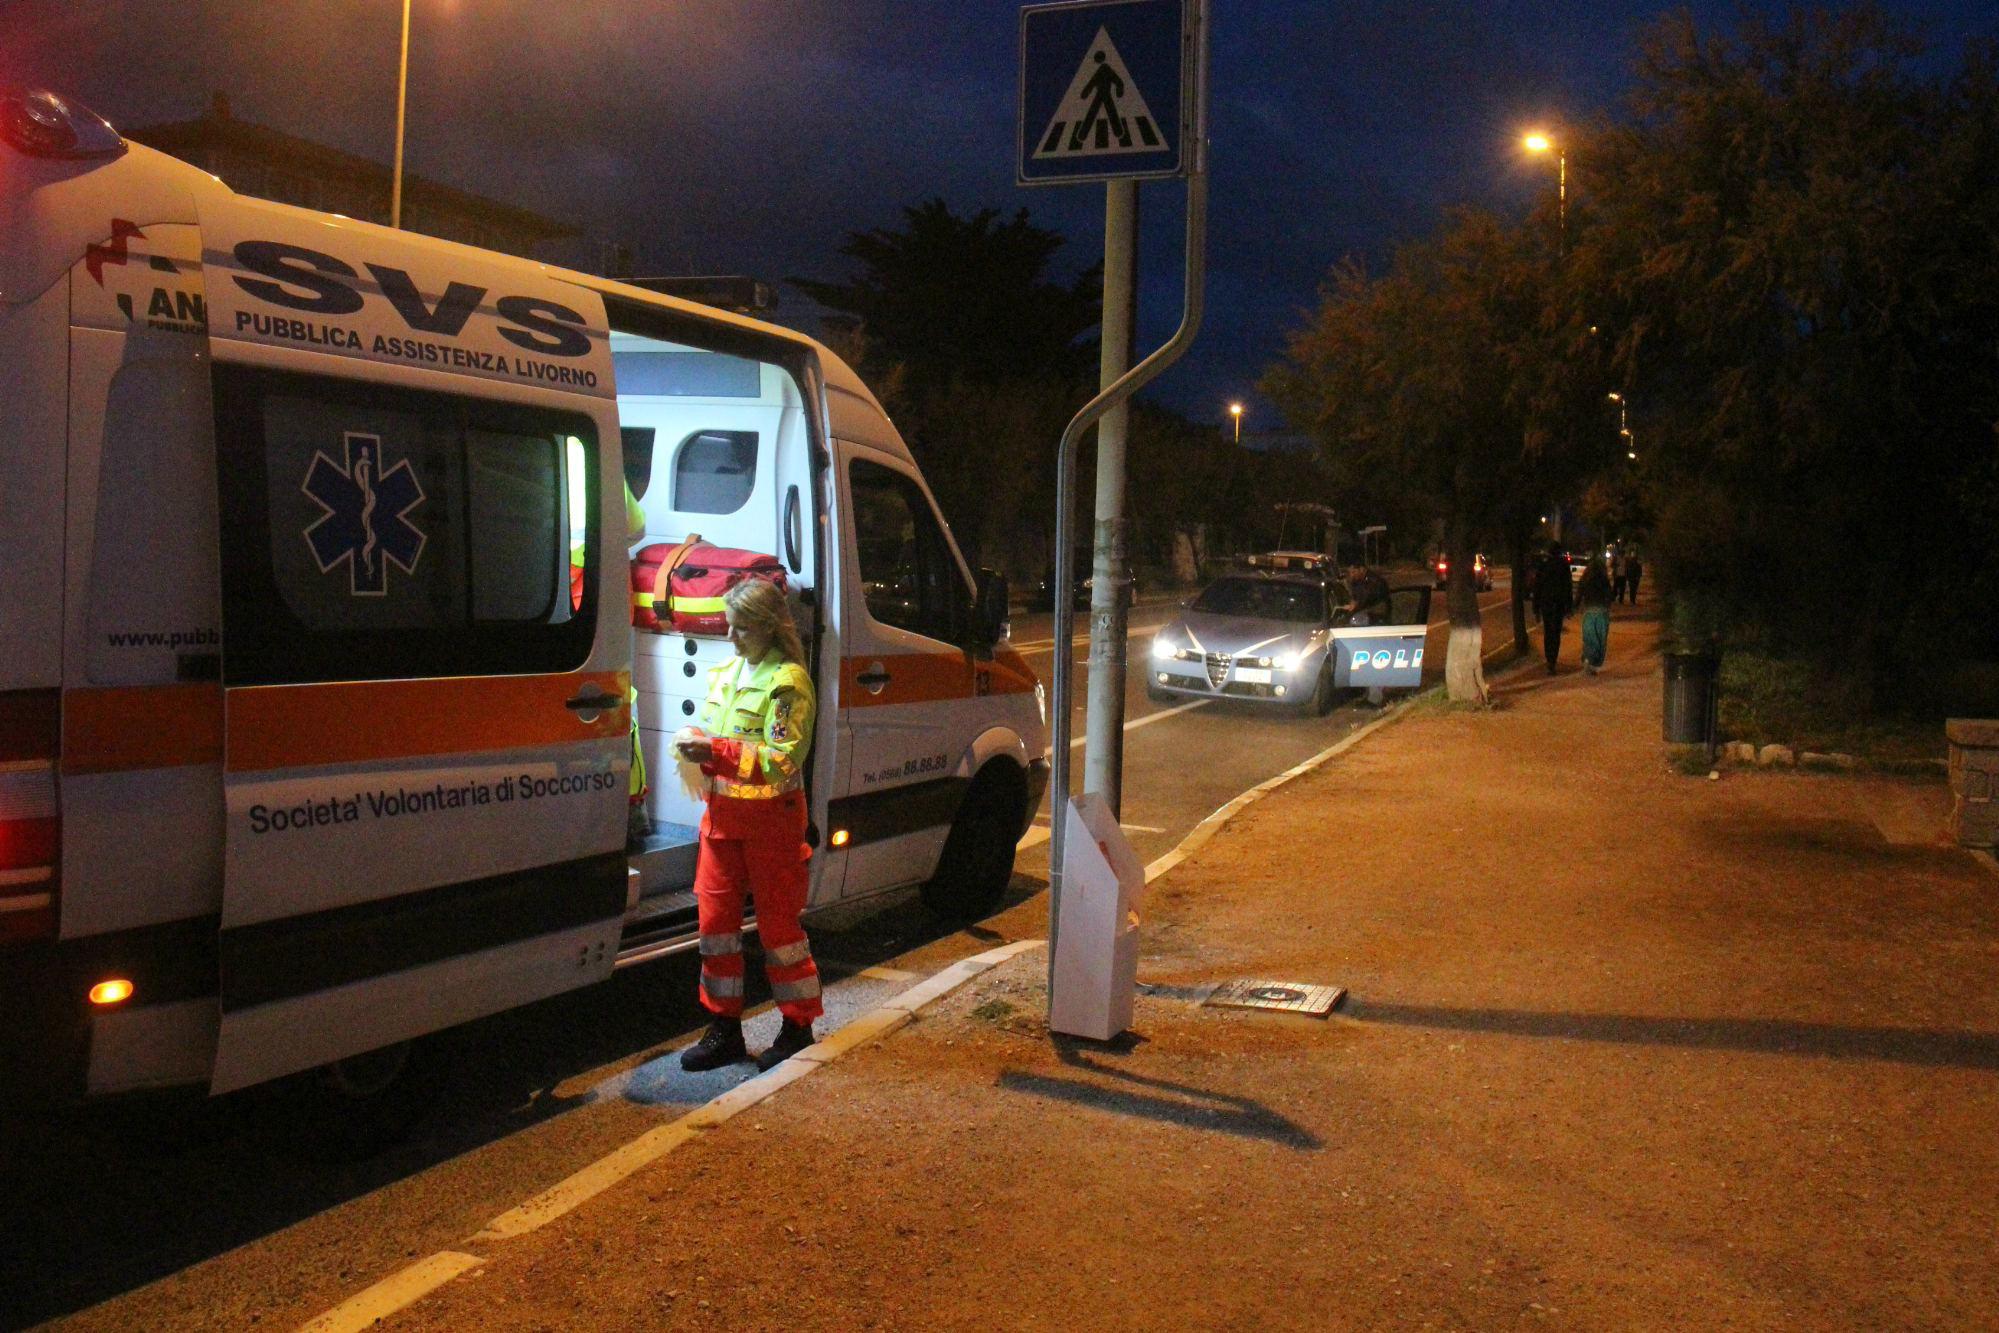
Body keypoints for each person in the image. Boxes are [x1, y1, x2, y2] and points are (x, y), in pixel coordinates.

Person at [675, 579, 822, 1073]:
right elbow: (722, 737)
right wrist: (697, 740)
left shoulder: (788, 682)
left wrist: (714, 751)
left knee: (780, 933)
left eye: (740, 629)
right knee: (715, 932)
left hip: (771, 830)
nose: (730, 637)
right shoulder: (728, 672)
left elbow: (783, 761)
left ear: (767, 627)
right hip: (721, 827)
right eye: (728, 626)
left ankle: (798, 1025)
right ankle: (724, 1029)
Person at [1535, 541, 1573, 674]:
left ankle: (1549, 660)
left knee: (1548, 632)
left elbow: (1538, 587)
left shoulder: (1544, 566)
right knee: (1556, 633)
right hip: (1559, 603)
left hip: (1546, 603)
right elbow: (1568, 587)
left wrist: (1536, 608)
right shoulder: (1564, 566)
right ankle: (1553, 660)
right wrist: (1569, 607)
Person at [1578, 556, 1613, 674]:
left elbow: (1579, 594)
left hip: (1589, 611)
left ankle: (1588, 659)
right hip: (1602, 612)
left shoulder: (1585, 579)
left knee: (1589, 638)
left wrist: (1574, 607)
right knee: (1601, 639)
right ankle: (1595, 663)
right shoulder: (1604, 580)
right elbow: (1610, 595)